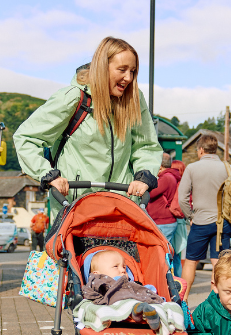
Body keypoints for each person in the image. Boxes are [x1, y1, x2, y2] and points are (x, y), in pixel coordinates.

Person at [13, 37, 162, 217]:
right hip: (75, 211)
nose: (128, 78)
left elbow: (146, 146)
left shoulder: (134, 99)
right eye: (122, 70)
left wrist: (143, 176)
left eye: (133, 71)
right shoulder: (73, 98)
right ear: (102, 68)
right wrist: (48, 175)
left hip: (121, 211)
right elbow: (26, 138)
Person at [178, 134, 231, 299]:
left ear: (201, 150)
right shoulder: (229, 169)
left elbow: (182, 198)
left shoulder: (192, 168)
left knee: (191, 261)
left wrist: (190, 216)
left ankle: (184, 300)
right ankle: (215, 301)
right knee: (218, 262)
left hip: (200, 221)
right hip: (222, 222)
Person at [147, 153, 181, 243]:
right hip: (165, 221)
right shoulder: (170, 176)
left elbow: (150, 193)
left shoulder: (165, 178)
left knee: (162, 251)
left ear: (160, 166)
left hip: (163, 222)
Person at [171, 160, 188, 277]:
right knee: (177, 255)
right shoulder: (185, 184)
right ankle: (178, 282)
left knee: (171, 255)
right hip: (182, 221)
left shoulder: (173, 183)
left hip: (173, 219)